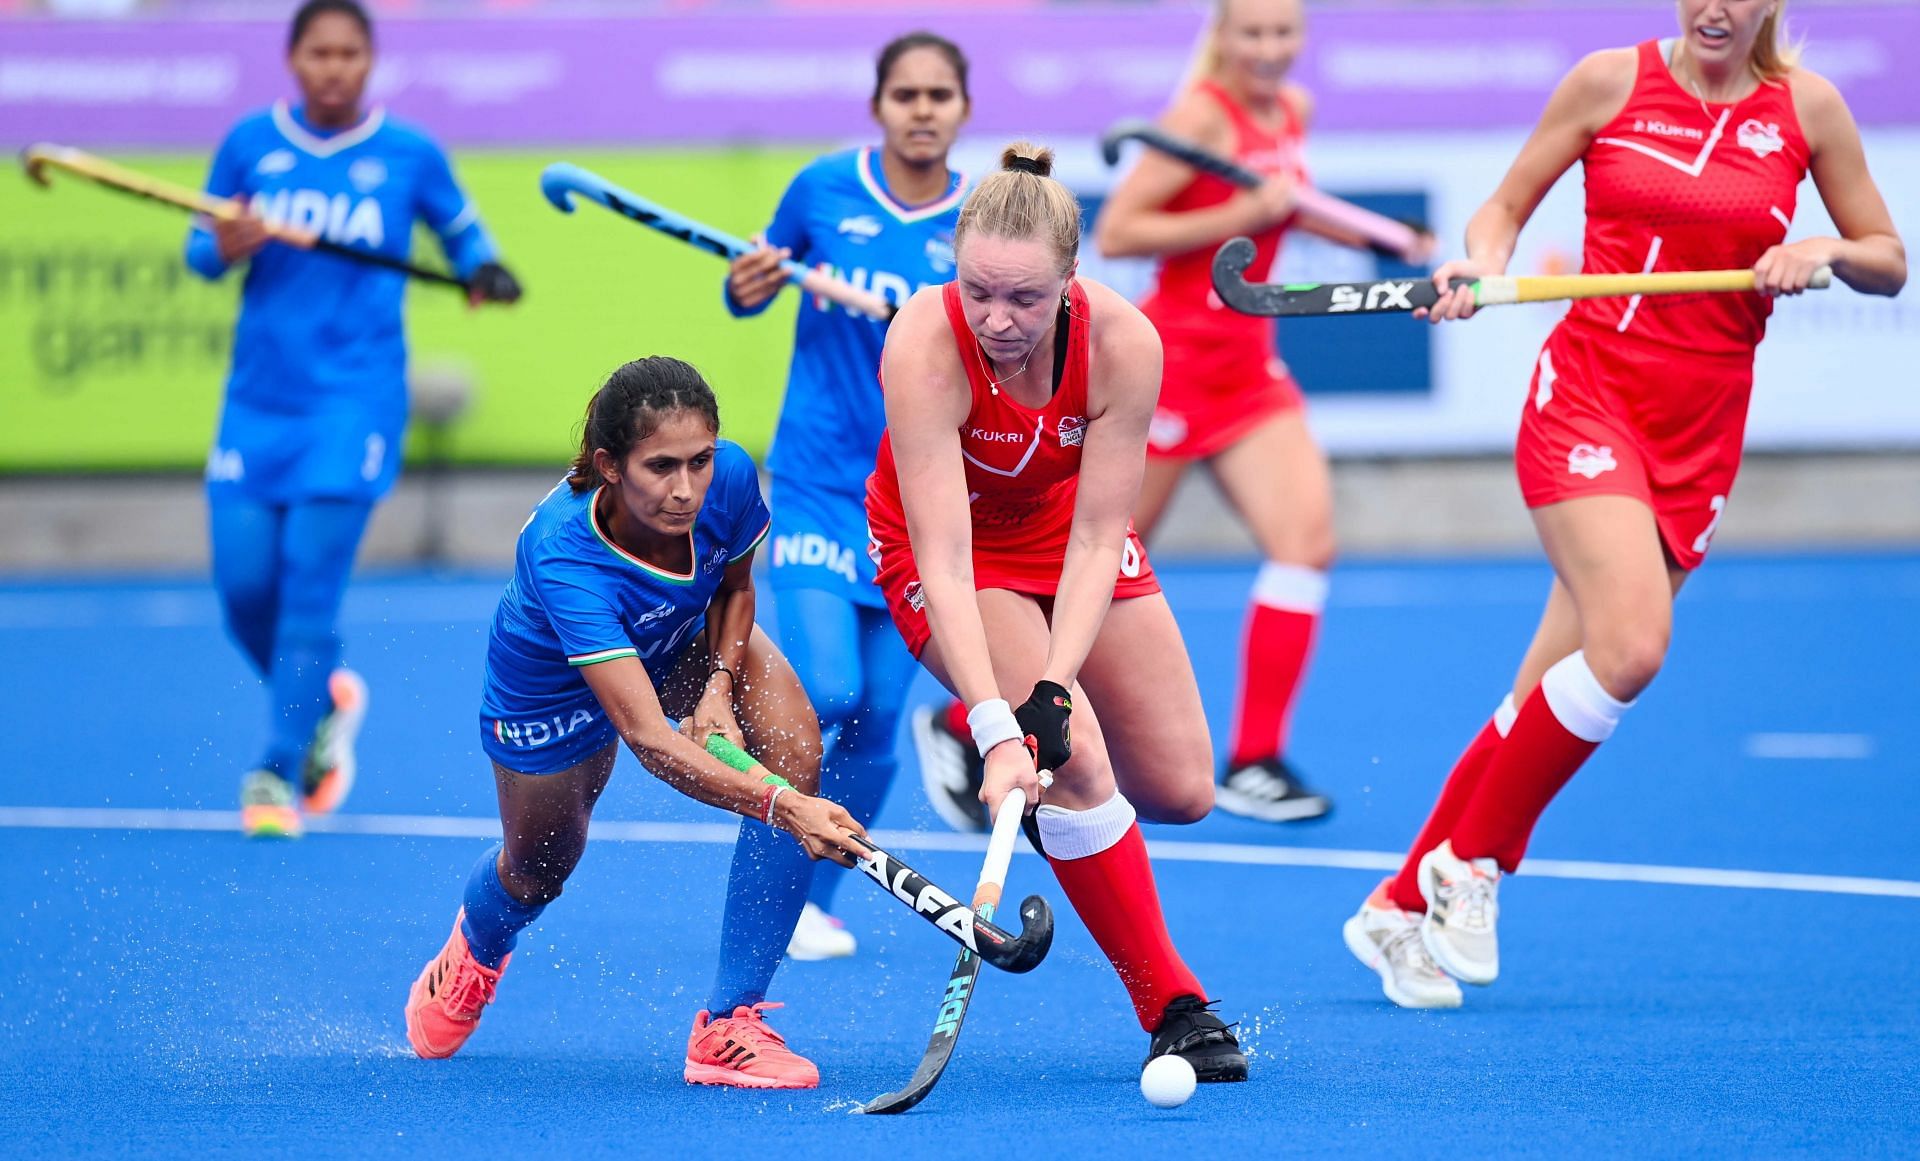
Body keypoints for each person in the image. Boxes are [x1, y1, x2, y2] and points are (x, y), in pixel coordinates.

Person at [1343, 0, 1905, 1010]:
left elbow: (1888, 259)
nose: (1716, 10)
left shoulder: (1808, 108)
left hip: (1702, 430)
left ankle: (1394, 905)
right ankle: (1469, 865)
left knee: (1539, 696)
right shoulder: (1609, 80)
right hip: (1591, 395)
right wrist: (1480, 258)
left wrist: (1822, 251)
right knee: (1633, 648)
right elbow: (1505, 205)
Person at [866, 143, 1249, 1080]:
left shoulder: (1126, 344)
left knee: (1183, 789)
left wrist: (1047, 688)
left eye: (1026, 299)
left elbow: (1096, 539)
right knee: (1077, 767)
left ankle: (970, 737)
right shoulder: (923, 342)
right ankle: (1174, 1004)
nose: (998, 320)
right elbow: (948, 561)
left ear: (1072, 280)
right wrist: (1014, 716)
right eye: (978, 291)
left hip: (1063, 536)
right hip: (949, 550)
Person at [403, 358, 866, 1089]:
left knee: (794, 744)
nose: (686, 489)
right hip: (550, 693)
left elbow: (736, 586)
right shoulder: (564, 552)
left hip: (675, 642)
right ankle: (480, 944)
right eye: (660, 467)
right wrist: (785, 806)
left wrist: (716, 684)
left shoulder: (731, 478)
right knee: (540, 868)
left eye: (699, 461)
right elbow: (650, 739)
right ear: (609, 466)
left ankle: (728, 1023)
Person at [184, 0, 521, 839]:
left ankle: (274, 767)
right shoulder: (248, 145)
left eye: (349, 54)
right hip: (258, 403)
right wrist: (229, 241)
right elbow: (199, 251)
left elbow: (464, 237)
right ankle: (322, 701)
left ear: (368, 63)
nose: (333, 67)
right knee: (242, 593)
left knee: (306, 591)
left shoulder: (408, 153)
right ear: (293, 60)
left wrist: (484, 271)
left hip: (355, 402)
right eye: (318, 53)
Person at [723, 32, 971, 959]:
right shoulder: (822, 188)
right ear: (878, 104)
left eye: (938, 93)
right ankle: (771, 881)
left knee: (874, 722)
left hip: (920, 500)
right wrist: (746, 283)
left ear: (963, 109)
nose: (921, 108)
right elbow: (754, 283)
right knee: (827, 689)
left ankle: (815, 900)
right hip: (824, 481)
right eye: (904, 92)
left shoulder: (978, 220)